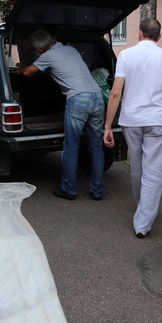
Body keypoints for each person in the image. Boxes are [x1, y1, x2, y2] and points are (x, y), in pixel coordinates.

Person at [18, 29, 105, 201]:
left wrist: (19, 69)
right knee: (96, 148)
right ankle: (97, 191)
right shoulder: (71, 50)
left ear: (40, 50)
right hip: (97, 97)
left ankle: (69, 189)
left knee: (71, 148)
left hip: (78, 100)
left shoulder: (47, 56)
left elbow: (28, 72)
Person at [103, 18, 162, 238]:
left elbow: (115, 93)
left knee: (137, 166)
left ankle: (143, 207)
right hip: (156, 119)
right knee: (154, 169)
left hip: (131, 119)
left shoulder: (126, 55)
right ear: (159, 36)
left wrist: (107, 126)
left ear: (139, 33)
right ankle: (144, 219)